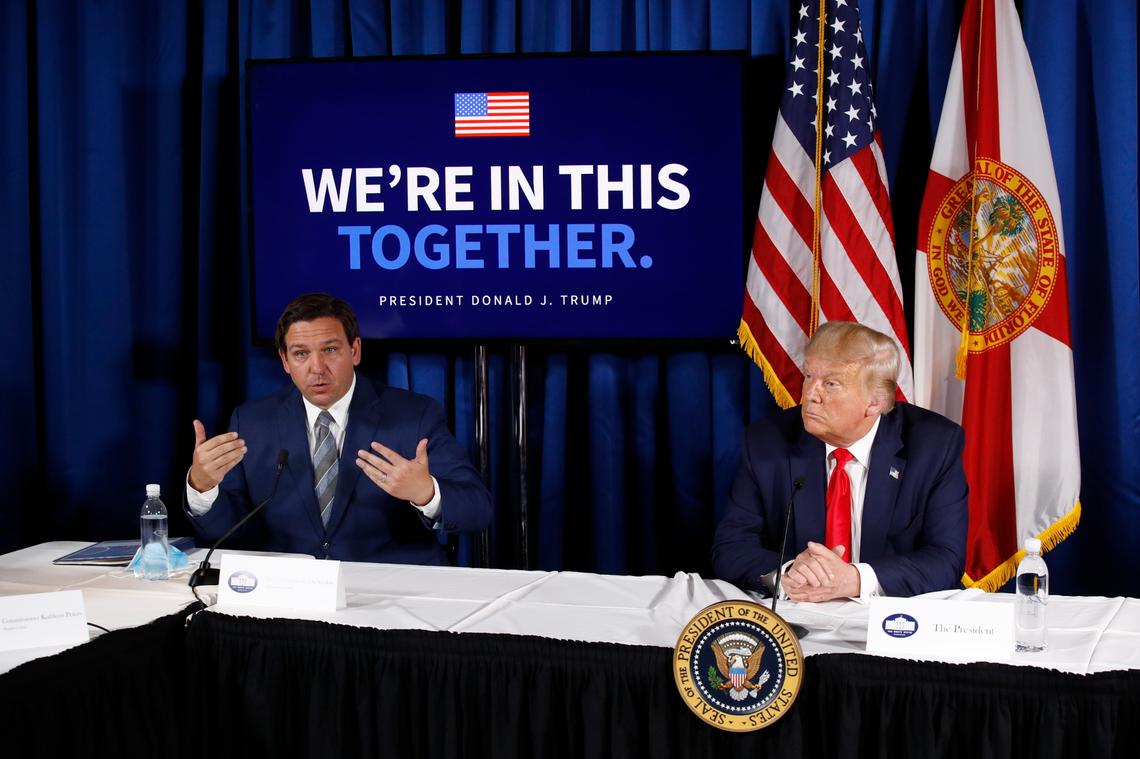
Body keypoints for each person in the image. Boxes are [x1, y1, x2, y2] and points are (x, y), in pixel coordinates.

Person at [185, 293, 492, 564]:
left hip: (392, 590)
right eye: (301, 354)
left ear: (355, 351)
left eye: (330, 350)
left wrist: (425, 493)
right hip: (290, 596)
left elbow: (478, 509)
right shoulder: (251, 422)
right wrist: (201, 486)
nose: (317, 368)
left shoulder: (414, 415)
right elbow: (225, 533)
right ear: (285, 361)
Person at [711, 321, 968, 601]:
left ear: (875, 402)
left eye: (830, 384)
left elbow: (946, 559)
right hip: (800, 618)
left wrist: (855, 580)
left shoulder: (933, 445)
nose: (810, 394)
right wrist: (788, 572)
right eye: (809, 376)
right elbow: (731, 546)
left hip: (892, 620)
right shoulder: (766, 442)